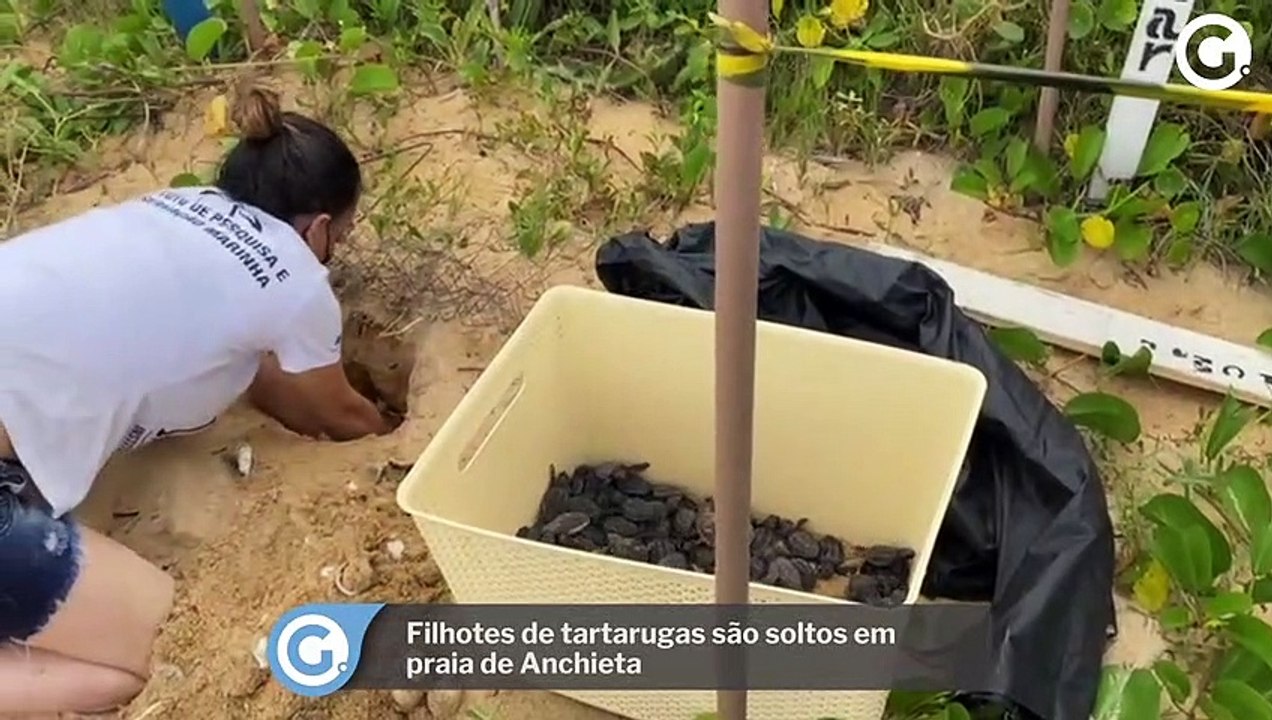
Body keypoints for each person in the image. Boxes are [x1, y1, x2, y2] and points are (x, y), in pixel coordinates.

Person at [0, 87, 397, 715]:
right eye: (341, 234)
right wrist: (392, 434)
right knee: (157, 652)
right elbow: (337, 412)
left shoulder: (176, 206)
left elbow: (249, 371)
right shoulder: (295, 280)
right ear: (320, 227)